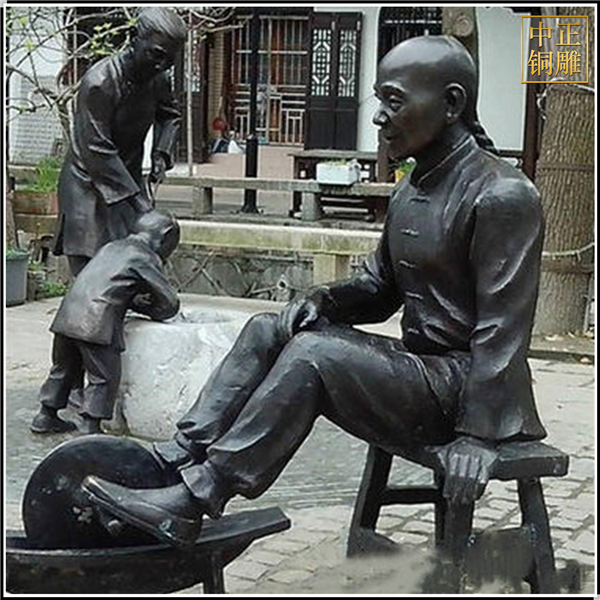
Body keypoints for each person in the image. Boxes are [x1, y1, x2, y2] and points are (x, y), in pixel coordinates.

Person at [83, 35, 548, 548]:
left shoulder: (502, 194)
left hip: (464, 390)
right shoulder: (412, 189)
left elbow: (504, 330)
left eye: (394, 101)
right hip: (421, 372)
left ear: (452, 103)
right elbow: (380, 287)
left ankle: (198, 497)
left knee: (316, 355)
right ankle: (178, 458)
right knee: (268, 329)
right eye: (380, 101)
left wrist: (477, 436)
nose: (380, 117)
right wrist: (322, 300)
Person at [53, 6, 186, 278]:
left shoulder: (158, 79)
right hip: (88, 185)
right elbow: (96, 149)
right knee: (93, 275)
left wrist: (161, 153)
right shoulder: (99, 82)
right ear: (134, 37)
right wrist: (139, 202)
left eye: (170, 60)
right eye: (156, 55)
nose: (162, 65)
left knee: (133, 263)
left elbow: (170, 116)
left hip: (127, 179)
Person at [31, 211, 180, 435]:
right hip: (95, 324)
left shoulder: (111, 247)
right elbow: (169, 304)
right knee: (103, 378)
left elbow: (106, 284)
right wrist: (150, 309)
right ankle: (90, 425)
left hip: (66, 318)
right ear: (166, 236)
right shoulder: (144, 256)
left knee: (63, 369)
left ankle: (46, 415)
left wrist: (133, 301)